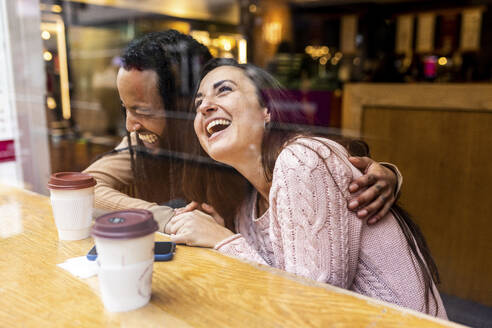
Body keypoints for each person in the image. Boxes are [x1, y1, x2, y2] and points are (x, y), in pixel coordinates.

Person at [165, 58, 447, 318]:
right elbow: (276, 285)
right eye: (198, 103)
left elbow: (310, 306)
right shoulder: (245, 210)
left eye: (224, 90)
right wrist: (222, 237)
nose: (204, 107)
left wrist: (222, 241)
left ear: (267, 110)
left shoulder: (302, 160)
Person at [84, 29, 401, 232]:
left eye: (142, 110)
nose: (130, 125)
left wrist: (384, 175)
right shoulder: (142, 142)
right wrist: (170, 218)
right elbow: (86, 188)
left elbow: (328, 162)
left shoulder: (249, 144)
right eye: (126, 109)